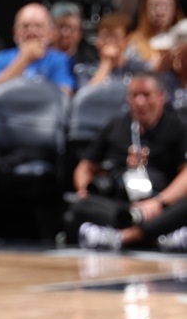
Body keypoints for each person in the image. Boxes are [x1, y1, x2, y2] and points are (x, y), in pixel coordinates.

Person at [74, 72, 187, 247]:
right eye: (134, 95)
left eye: (146, 95)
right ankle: (159, 236)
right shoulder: (115, 125)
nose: (140, 102)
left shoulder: (177, 127)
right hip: (124, 205)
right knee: (81, 205)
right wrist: (83, 188)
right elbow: (85, 166)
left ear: (161, 97)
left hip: (161, 202)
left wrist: (158, 202)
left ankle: (124, 237)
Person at [0, 4, 75, 94]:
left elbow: (65, 93)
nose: (32, 32)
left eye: (38, 26)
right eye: (25, 26)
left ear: (50, 32)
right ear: (15, 32)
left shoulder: (60, 60)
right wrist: (24, 59)